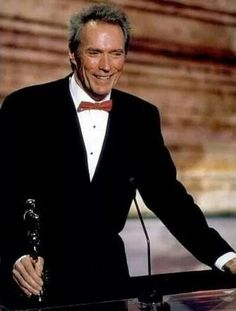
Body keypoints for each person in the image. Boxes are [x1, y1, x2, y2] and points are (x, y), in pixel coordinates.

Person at [0, 3, 236, 309]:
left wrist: (224, 256)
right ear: (73, 54)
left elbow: (169, 198)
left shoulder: (141, 116)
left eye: (116, 53)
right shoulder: (25, 107)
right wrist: (16, 253)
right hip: (34, 282)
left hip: (108, 284)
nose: (106, 66)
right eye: (94, 52)